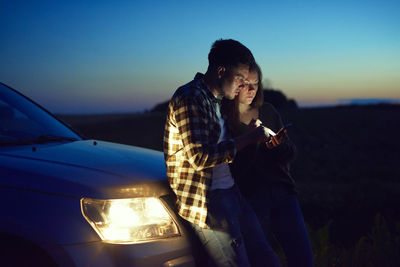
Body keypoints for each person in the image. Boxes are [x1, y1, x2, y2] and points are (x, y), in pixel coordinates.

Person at [164, 39, 280, 267]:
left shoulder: (215, 100)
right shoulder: (190, 97)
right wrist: (248, 139)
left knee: (266, 258)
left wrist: (250, 133)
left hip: (230, 191)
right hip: (208, 201)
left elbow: (220, 146)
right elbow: (199, 157)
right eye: (240, 79)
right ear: (220, 71)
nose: (242, 86)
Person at [222, 63, 314, 267]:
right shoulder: (224, 119)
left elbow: (290, 153)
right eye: (246, 83)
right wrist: (250, 141)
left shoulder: (268, 110)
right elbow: (232, 169)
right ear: (234, 84)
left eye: (256, 83)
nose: (252, 89)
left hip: (284, 193)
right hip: (252, 198)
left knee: (303, 259)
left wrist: (278, 146)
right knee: (262, 259)